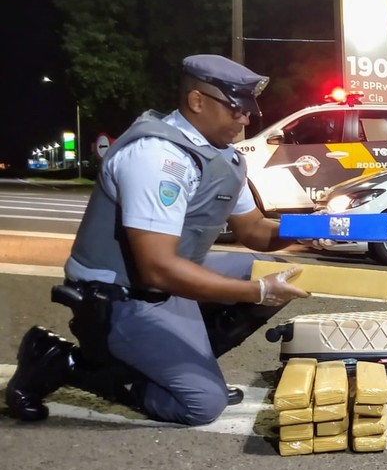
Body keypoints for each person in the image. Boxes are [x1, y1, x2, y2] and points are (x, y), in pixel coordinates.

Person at [4, 54, 310, 426]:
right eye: (236, 109)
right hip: (121, 292)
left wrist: (319, 227)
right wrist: (256, 292)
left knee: (273, 271)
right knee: (202, 405)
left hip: (171, 279)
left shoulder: (224, 157)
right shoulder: (157, 156)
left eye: (248, 111)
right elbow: (157, 269)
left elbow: (254, 230)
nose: (245, 119)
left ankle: (180, 367)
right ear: (197, 101)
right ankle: (61, 362)